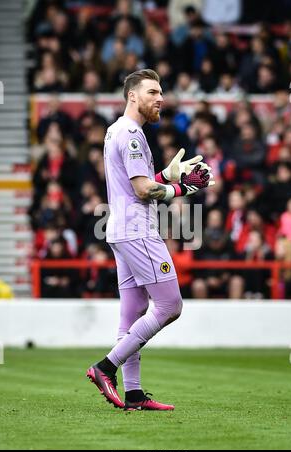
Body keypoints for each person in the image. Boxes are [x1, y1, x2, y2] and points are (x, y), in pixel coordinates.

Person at [86, 69, 214, 411]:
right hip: (137, 230)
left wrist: (166, 176)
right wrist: (180, 188)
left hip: (120, 229)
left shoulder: (116, 129)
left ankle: (134, 394)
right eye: (153, 92)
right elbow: (144, 191)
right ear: (132, 95)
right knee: (170, 305)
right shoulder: (131, 133)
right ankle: (105, 368)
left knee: (132, 315)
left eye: (161, 92)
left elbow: (138, 183)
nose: (161, 98)